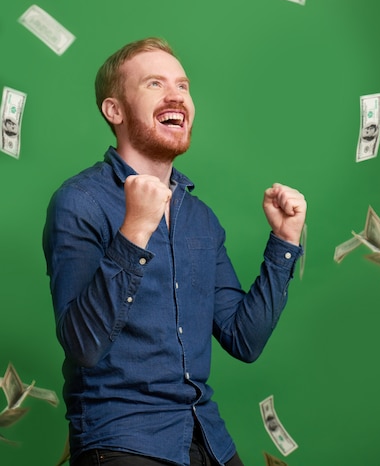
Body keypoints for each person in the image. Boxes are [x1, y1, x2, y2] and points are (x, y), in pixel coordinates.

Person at [43, 37, 307, 466]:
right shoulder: (79, 201)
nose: (176, 95)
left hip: (207, 436)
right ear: (115, 110)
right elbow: (83, 346)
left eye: (183, 85)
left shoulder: (200, 218)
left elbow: (245, 339)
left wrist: (285, 242)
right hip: (122, 439)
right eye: (154, 83)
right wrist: (134, 231)